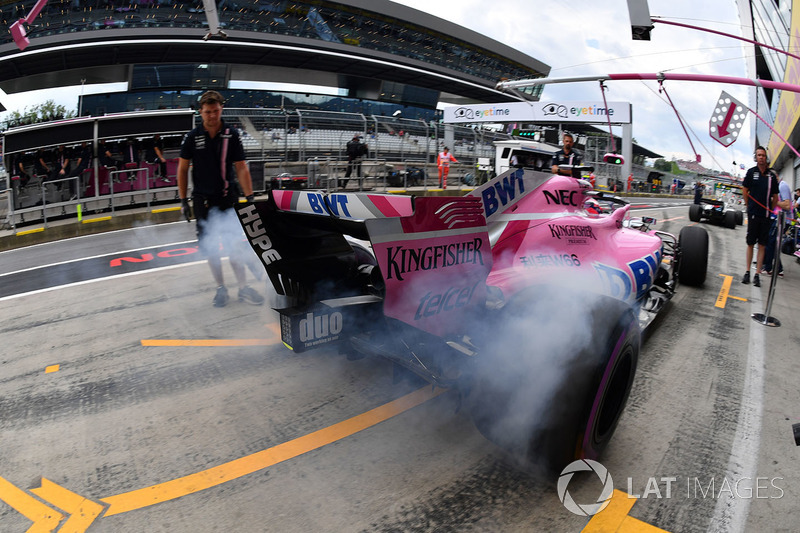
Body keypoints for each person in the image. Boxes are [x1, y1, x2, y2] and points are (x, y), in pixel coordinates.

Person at [177, 90, 264, 308]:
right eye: (208, 112)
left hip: (227, 198)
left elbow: (241, 167)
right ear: (201, 112)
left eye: (215, 111)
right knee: (211, 247)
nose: (212, 115)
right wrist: (182, 199)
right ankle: (220, 288)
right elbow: (182, 168)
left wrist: (250, 197)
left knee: (233, 244)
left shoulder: (231, 134)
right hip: (202, 200)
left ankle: (243, 287)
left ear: (221, 109)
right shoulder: (192, 137)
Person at [741, 146, 779, 287]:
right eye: (759, 155)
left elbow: (775, 196)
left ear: (766, 157)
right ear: (755, 157)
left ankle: (757, 273)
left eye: (763, 155)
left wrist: (771, 209)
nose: (761, 157)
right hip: (753, 214)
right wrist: (748, 206)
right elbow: (745, 191)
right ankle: (747, 271)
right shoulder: (751, 173)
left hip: (766, 215)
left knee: (762, 244)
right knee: (750, 243)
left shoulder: (771, 176)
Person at [761, 172, 792, 278]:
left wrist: (773, 201)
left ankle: (769, 268)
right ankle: (778, 269)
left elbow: (787, 205)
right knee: (773, 244)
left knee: (771, 243)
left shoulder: (782, 186)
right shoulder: (776, 187)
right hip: (775, 219)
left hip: (782, 220)